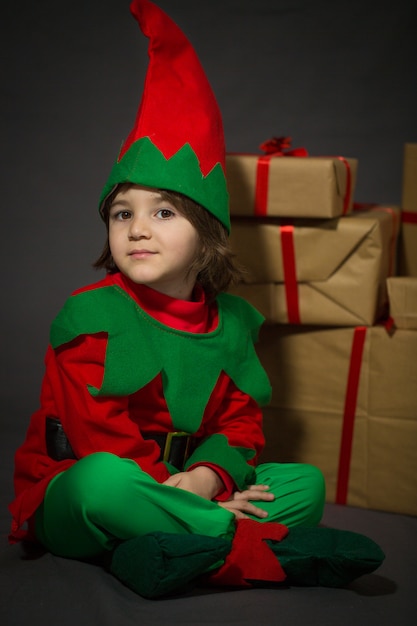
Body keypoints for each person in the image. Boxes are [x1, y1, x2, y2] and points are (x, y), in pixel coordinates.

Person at [9, 0, 383, 598]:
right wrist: (189, 497)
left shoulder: (232, 322)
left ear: (207, 232)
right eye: (121, 213)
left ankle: (163, 549)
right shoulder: (88, 317)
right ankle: (254, 548)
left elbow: (241, 425)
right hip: (96, 492)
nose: (136, 228)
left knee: (304, 485)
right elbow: (101, 442)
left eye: (162, 212)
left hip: (190, 492)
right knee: (99, 483)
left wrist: (209, 479)